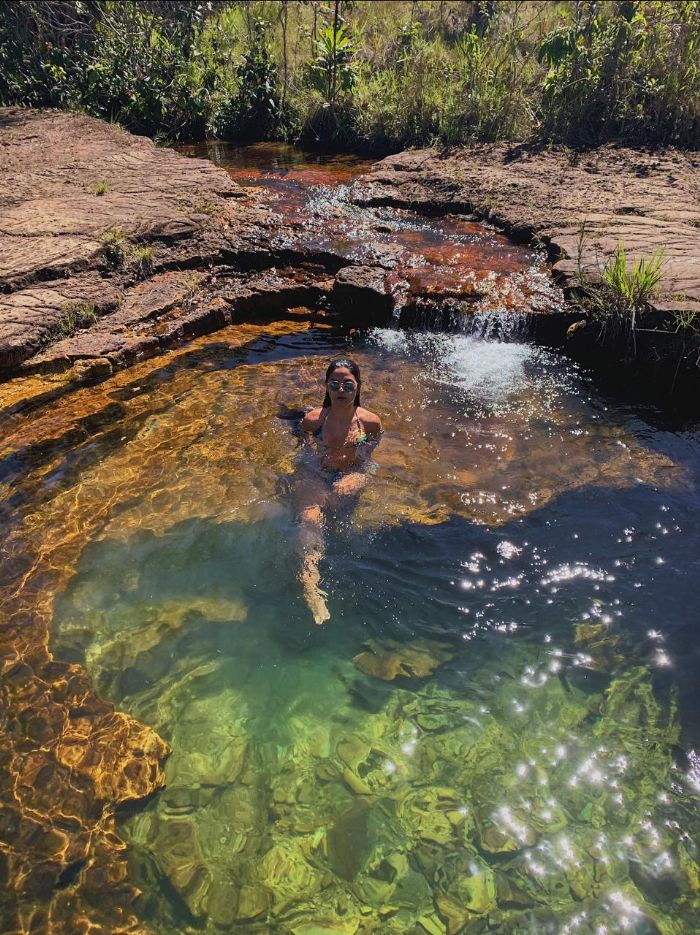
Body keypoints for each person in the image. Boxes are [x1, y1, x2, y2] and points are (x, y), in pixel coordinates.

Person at [297, 357, 382, 624]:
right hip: (317, 473)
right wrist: (312, 476)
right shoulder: (314, 420)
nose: (341, 390)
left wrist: (358, 475)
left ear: (358, 387)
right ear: (326, 387)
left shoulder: (370, 423)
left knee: (341, 512)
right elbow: (302, 450)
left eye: (348, 384)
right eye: (334, 384)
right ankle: (311, 585)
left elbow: (370, 456)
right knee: (310, 520)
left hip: (352, 472)